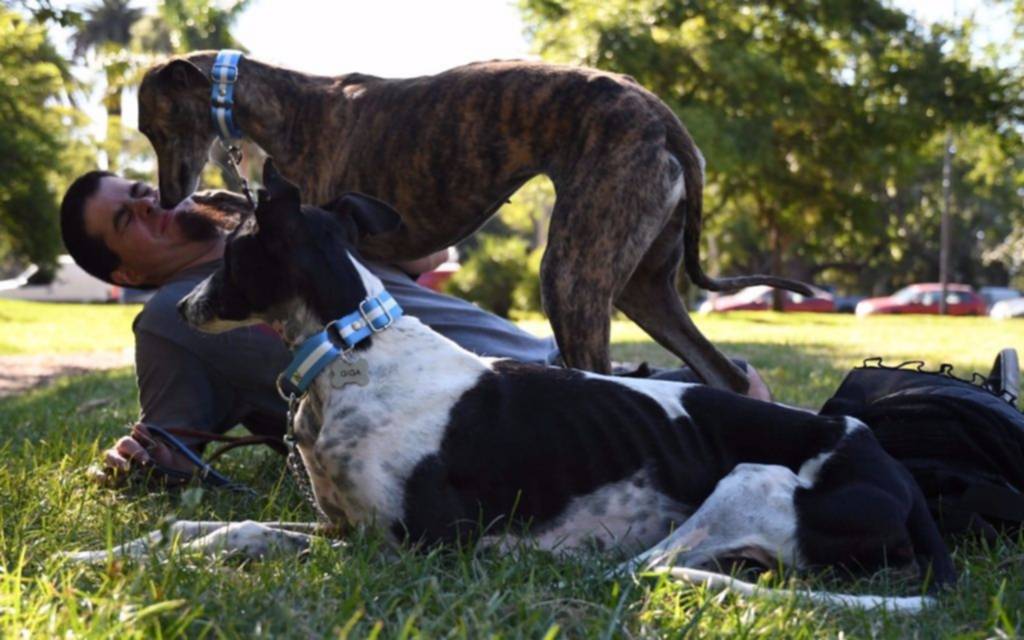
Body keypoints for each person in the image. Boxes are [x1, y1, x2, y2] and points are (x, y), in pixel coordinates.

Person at [59, 171, 771, 479]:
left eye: (141, 191)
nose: (150, 204)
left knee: (748, 394)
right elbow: (171, 445)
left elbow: (426, 253)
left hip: (559, 366)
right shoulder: (170, 319)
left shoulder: (275, 223)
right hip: (502, 423)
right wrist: (140, 460)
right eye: (127, 219)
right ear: (122, 270)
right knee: (752, 422)